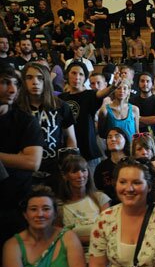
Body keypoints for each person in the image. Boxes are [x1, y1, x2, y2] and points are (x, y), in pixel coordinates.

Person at [0, 64, 43, 243]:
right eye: (4, 83)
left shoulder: (25, 121)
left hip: (15, 207)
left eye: (16, 84)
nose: (12, 89)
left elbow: (32, 162)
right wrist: (14, 157)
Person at [17, 62, 77, 190]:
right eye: (29, 78)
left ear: (47, 80)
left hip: (56, 169)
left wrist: (69, 166)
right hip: (25, 171)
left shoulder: (61, 106)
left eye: (40, 78)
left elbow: (71, 139)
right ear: (23, 81)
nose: (35, 82)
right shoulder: (16, 108)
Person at [60, 62, 119, 175]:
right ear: (68, 75)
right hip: (68, 152)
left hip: (89, 151)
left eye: (81, 74)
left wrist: (113, 87)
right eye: (74, 73)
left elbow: (101, 94)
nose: (77, 77)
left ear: (85, 78)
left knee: (92, 188)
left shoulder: (90, 95)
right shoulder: (61, 98)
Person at [58, 154, 111, 256]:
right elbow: (58, 237)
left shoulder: (100, 198)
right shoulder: (59, 206)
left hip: (101, 254)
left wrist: (75, 238)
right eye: (74, 172)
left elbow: (107, 230)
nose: (80, 175)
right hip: (73, 256)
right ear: (65, 176)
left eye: (83, 170)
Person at [94, 127, 129, 202]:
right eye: (109, 137)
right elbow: (100, 192)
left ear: (125, 140)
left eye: (117, 136)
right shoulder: (101, 167)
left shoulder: (133, 163)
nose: (112, 139)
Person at [131, 72, 155, 141]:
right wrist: (148, 120)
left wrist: (137, 117)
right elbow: (130, 121)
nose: (145, 84)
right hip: (138, 139)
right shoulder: (132, 101)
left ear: (152, 84)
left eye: (148, 81)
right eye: (142, 81)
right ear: (138, 83)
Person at [90, 0, 110, 64]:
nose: (98, 2)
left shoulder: (105, 9)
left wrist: (97, 15)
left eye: (99, 1)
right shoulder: (93, 9)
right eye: (97, 1)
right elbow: (91, 17)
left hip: (105, 30)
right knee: (100, 46)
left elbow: (105, 17)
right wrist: (99, 16)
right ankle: (103, 60)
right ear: (96, 3)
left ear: (101, 2)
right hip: (97, 30)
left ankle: (109, 60)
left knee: (107, 45)